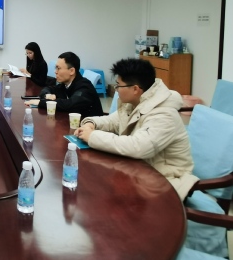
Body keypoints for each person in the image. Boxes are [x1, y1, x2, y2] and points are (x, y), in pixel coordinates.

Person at [74, 57, 198, 200]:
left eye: (118, 85)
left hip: (166, 182)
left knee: (102, 194)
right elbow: (113, 121)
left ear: (135, 89)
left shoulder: (164, 115)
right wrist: (91, 124)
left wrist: (92, 136)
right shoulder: (136, 101)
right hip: (139, 171)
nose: (116, 90)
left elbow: (138, 147)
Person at [29, 51, 103, 118]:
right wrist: (47, 95)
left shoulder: (84, 87)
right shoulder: (65, 84)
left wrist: (41, 103)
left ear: (71, 71)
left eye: (58, 68)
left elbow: (70, 104)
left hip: (90, 126)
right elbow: (48, 88)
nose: (55, 72)